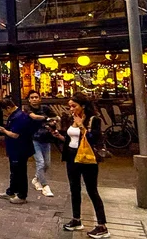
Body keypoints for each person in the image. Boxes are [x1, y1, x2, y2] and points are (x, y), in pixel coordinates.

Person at [62, 95, 109, 239]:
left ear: (83, 105)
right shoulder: (72, 118)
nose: (71, 109)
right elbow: (70, 138)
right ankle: (76, 219)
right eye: (70, 106)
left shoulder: (93, 120)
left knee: (91, 190)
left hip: (87, 159)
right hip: (72, 156)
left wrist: (81, 125)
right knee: (74, 188)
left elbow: (94, 138)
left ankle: (102, 225)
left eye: (74, 106)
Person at [0, 96, 32, 204]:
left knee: (20, 171)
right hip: (15, 149)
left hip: (20, 148)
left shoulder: (19, 117)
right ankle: (11, 190)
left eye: (4, 111)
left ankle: (22, 195)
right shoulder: (16, 115)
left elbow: (15, 134)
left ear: (8, 107)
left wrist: (4, 131)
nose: (4, 113)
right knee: (14, 171)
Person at [27, 90, 61, 197]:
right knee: (40, 162)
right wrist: (47, 118)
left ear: (40, 98)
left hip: (46, 138)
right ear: (29, 100)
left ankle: (36, 179)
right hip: (34, 139)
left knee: (47, 164)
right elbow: (33, 116)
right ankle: (45, 186)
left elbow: (57, 118)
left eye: (36, 97)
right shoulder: (27, 109)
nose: (34, 99)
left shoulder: (45, 108)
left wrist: (53, 121)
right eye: (32, 97)